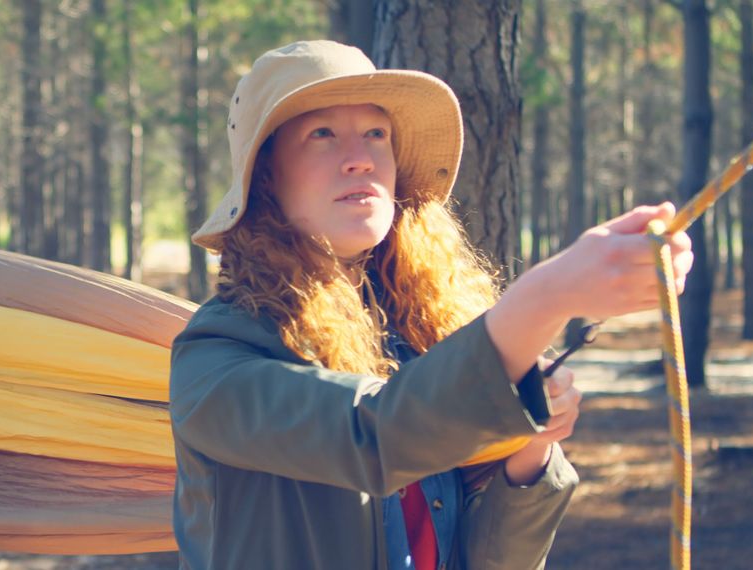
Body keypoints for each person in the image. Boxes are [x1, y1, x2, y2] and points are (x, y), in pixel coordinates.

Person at [168, 40, 693, 570]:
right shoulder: (215, 358)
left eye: (377, 133)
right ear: (265, 179)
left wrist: (528, 452)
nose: (360, 158)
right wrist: (548, 295)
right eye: (321, 134)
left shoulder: (416, 338)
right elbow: (373, 436)